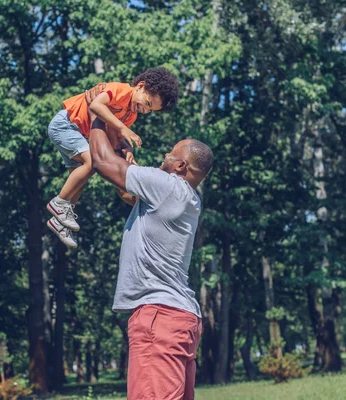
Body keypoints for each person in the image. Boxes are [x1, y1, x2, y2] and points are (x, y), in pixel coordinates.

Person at [88, 118, 214, 399]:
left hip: (159, 317)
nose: (164, 156)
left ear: (181, 166)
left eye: (171, 153)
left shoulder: (168, 187)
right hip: (181, 318)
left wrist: (98, 116)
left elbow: (101, 162)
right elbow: (126, 191)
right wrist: (122, 154)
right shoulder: (187, 198)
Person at [46, 67, 180, 248]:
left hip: (78, 133)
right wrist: (124, 129)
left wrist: (127, 149)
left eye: (150, 111)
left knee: (79, 178)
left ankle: (60, 221)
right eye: (148, 103)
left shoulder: (130, 114)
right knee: (91, 163)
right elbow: (96, 105)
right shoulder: (121, 90)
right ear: (140, 86)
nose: (145, 110)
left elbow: (113, 136)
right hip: (66, 125)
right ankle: (59, 203)